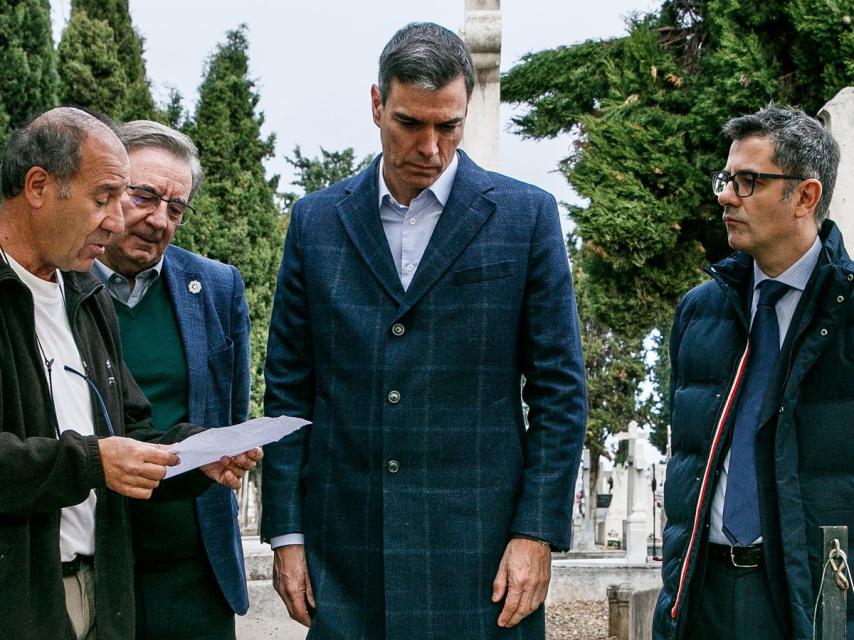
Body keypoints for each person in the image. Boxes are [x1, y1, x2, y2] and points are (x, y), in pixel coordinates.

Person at [261, 22, 587, 639]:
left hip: (484, 557)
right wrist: (287, 532)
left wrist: (537, 531)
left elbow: (559, 392)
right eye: (411, 123)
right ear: (377, 104)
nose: (431, 147)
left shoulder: (526, 217)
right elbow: (288, 389)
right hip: (346, 554)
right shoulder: (315, 222)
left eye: (450, 125)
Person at [0, 107, 259, 640]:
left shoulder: (85, 294)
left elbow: (131, 432)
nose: (119, 221)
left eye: (176, 207)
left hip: (103, 588)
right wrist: (92, 462)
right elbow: (96, 457)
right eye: (106, 199)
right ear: (38, 186)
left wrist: (198, 453)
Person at [653, 105, 850, 639]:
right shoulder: (699, 312)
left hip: (808, 601)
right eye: (726, 179)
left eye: (748, 182)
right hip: (700, 596)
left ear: (805, 197)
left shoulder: (847, 312)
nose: (725, 196)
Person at [92, 120, 251, 639]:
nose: (159, 220)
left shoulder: (218, 287)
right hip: (91, 563)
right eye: (145, 197)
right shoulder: (59, 284)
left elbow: (230, 411)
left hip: (193, 571)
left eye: (176, 208)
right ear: (110, 189)